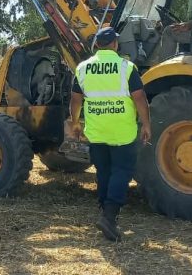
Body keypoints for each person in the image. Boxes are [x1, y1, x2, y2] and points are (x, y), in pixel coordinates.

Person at [68, 27, 151, 242]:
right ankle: (110, 216)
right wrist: (146, 124)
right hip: (122, 131)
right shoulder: (126, 67)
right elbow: (139, 98)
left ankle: (104, 209)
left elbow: (76, 100)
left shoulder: (83, 68)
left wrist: (75, 123)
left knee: (103, 170)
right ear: (115, 44)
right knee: (121, 171)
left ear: (96, 45)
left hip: (96, 132)